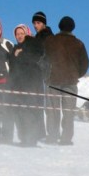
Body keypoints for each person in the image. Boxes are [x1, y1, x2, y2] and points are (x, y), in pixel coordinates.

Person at [43, 16, 89, 145]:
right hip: (70, 82)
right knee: (68, 111)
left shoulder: (50, 41)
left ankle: (52, 136)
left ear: (59, 26)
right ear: (72, 28)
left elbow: (44, 59)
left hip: (53, 81)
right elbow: (85, 64)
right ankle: (66, 138)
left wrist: (47, 74)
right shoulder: (79, 44)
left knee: (53, 110)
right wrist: (76, 75)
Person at [9, 24, 46, 147]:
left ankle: (32, 138)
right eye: (17, 34)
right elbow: (12, 67)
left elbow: (35, 57)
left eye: (21, 33)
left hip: (32, 84)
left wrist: (21, 53)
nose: (19, 36)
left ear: (27, 33)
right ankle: (24, 138)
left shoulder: (34, 43)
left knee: (30, 111)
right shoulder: (15, 49)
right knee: (19, 112)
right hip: (18, 85)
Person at [31, 11, 53, 140]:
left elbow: (47, 56)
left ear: (43, 23)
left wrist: (40, 63)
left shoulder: (48, 37)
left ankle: (50, 133)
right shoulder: (37, 37)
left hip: (45, 75)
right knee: (38, 104)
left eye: (38, 23)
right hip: (38, 75)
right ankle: (40, 132)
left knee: (46, 106)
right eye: (34, 23)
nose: (35, 25)